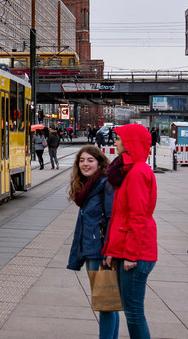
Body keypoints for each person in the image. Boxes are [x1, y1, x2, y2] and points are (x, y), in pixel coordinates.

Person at [102, 124, 157, 339]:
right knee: (132, 311)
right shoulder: (130, 170)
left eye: (119, 140)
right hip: (128, 250)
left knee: (134, 313)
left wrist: (131, 254)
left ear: (130, 144)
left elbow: (137, 216)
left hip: (136, 253)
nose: (115, 143)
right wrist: (112, 251)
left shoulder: (137, 173)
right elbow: (121, 217)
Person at [66, 145, 119, 339]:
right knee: (108, 302)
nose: (85, 164)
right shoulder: (89, 186)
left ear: (99, 162)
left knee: (104, 304)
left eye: (90, 160)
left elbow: (113, 217)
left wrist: (109, 251)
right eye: (81, 160)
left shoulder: (105, 184)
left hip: (101, 250)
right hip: (93, 248)